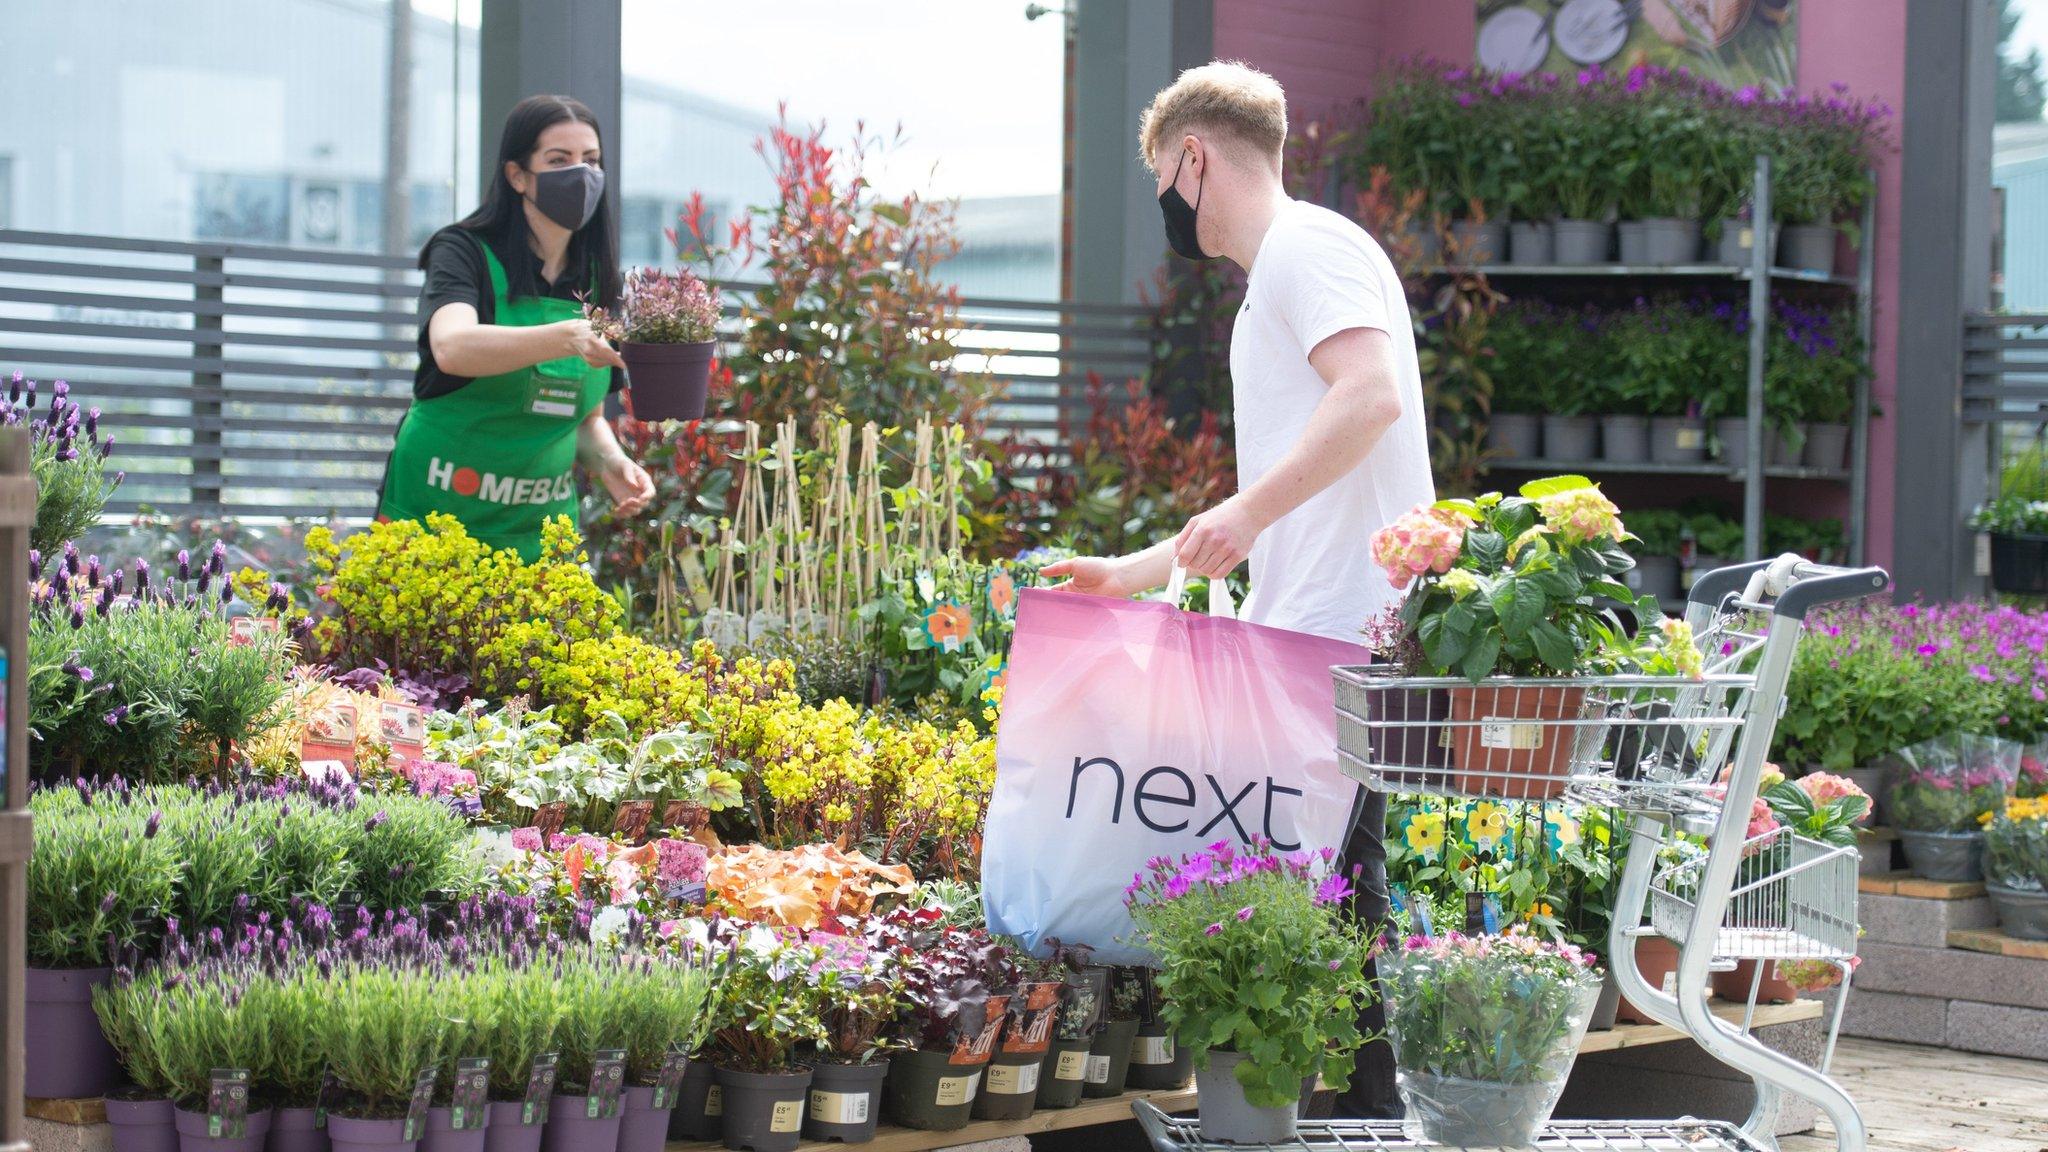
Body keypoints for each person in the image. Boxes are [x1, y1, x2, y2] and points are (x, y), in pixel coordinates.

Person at [1041, 60, 1434, 1119]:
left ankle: (1363, 1115)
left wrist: (1248, 518)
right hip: (1319, 629)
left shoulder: (1308, 248)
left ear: (1190, 158)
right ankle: (1365, 1115)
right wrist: (1134, 573)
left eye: (1162, 182)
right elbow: (1282, 476)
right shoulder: (1287, 272)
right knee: (1342, 890)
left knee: (1325, 888)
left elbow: (1370, 399)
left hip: (1333, 636)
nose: (1169, 206)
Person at [378, 94, 655, 561]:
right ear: (517, 175)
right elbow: (452, 347)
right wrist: (565, 336)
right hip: (435, 513)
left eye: (591, 160)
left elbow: (583, 417)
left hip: (538, 533)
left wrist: (611, 461)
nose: (581, 175)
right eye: (559, 160)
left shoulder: (596, 279)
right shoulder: (463, 252)